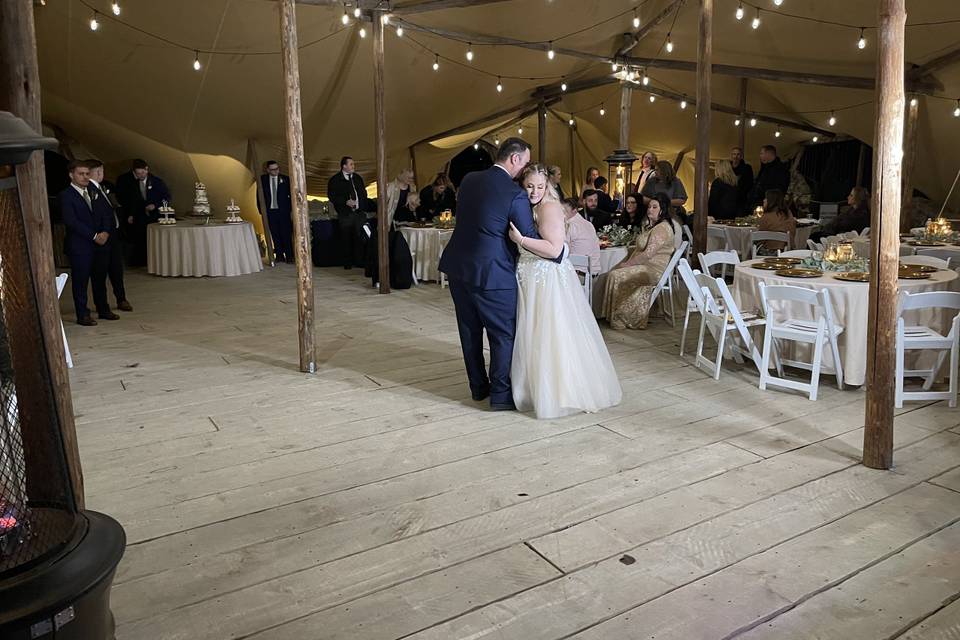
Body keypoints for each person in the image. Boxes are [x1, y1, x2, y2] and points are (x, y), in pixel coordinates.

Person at [438, 138, 562, 411]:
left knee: (469, 332)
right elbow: (527, 235)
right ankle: (501, 397)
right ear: (515, 159)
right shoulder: (514, 194)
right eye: (525, 162)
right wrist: (558, 251)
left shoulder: (469, 179)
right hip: (494, 274)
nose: (525, 168)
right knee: (502, 335)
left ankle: (478, 388)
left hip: (458, 268)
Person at [507, 163, 621, 418]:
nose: (535, 191)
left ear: (547, 186)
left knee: (551, 334)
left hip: (545, 279)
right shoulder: (530, 206)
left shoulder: (548, 207)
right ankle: (534, 388)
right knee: (534, 334)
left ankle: (559, 392)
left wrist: (521, 240)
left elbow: (555, 250)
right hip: (531, 277)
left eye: (539, 186)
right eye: (530, 186)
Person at [602, 192, 677, 330]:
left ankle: (623, 317)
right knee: (614, 271)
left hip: (653, 270)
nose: (650, 209)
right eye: (649, 207)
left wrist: (628, 264)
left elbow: (648, 254)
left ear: (663, 210)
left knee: (617, 274)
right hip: (646, 266)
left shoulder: (662, 228)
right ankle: (612, 315)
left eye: (655, 207)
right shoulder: (654, 226)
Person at [59, 161, 117, 325]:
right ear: (72, 175)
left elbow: (106, 213)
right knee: (81, 281)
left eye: (87, 173)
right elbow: (71, 221)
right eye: (81, 174)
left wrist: (105, 232)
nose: (85, 177)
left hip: (100, 243)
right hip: (80, 245)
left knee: (100, 279)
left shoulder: (94, 191)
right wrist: (93, 236)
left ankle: (103, 309)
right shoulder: (66, 195)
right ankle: (82, 314)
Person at [86, 159, 132, 312]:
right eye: (99, 171)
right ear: (95, 172)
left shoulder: (102, 187)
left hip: (114, 235)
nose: (101, 174)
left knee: (116, 269)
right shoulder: (90, 190)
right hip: (102, 237)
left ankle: (121, 298)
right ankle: (102, 305)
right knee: (100, 272)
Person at [116, 158, 171, 266]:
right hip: (141, 215)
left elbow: (167, 197)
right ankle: (141, 262)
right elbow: (134, 200)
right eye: (138, 173)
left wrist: (155, 205)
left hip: (156, 215)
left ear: (146, 170)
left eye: (142, 172)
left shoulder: (157, 182)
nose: (141, 175)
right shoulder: (135, 184)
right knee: (140, 238)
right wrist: (131, 214)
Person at [327, 156, 369, 269]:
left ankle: (359, 261)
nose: (353, 166)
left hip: (359, 212)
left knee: (359, 237)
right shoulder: (335, 180)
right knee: (346, 238)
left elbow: (363, 193)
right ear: (344, 166)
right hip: (345, 214)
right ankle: (347, 263)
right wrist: (345, 202)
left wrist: (361, 204)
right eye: (351, 164)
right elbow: (332, 196)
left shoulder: (357, 178)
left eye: (353, 164)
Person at [259, 160, 294, 263]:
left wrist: (291, 210)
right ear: (268, 170)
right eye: (273, 169)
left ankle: (289, 256)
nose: (276, 171)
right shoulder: (263, 179)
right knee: (275, 233)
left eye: (277, 169)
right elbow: (259, 195)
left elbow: (291, 195)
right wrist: (261, 210)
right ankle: (279, 255)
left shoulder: (285, 179)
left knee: (286, 233)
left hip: (283, 211)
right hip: (270, 211)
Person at [562, 197, 601, 274]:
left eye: (564, 211)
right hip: (594, 273)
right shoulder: (589, 224)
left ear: (574, 211)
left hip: (578, 274)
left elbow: (562, 251)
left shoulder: (569, 225)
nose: (561, 214)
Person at [756, 189, 796, 254]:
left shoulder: (766, 216)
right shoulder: (788, 214)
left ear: (771, 201)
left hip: (769, 251)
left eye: (766, 198)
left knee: (751, 244)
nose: (764, 200)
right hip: (787, 251)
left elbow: (760, 238)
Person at [730, 147, 754, 215]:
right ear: (731, 155)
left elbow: (749, 184)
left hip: (741, 200)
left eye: (738, 154)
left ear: (741, 156)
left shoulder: (747, 168)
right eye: (734, 154)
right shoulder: (728, 167)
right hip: (729, 199)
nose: (736, 156)